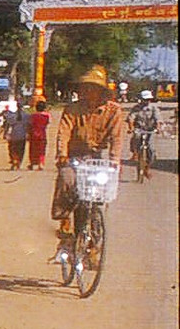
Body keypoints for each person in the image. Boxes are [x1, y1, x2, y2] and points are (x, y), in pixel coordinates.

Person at [52, 64, 125, 242]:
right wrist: (62, 154)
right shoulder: (73, 109)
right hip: (74, 155)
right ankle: (64, 216)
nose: (89, 91)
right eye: (86, 87)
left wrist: (115, 161)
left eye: (93, 88)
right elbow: (64, 131)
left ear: (101, 90)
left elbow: (117, 137)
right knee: (67, 179)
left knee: (100, 192)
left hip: (96, 157)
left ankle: (95, 236)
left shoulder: (114, 111)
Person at [129, 89, 159, 176]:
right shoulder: (136, 108)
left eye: (148, 99)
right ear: (141, 99)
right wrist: (131, 128)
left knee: (151, 149)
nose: (146, 101)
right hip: (139, 128)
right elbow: (131, 118)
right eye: (145, 99)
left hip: (150, 130)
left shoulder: (154, 108)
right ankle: (134, 152)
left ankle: (147, 168)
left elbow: (158, 120)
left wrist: (158, 128)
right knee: (136, 136)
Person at [27, 99, 51, 170]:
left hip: (33, 134)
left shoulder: (32, 116)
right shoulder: (47, 116)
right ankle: (41, 163)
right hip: (42, 134)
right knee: (42, 150)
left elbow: (30, 124)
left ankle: (32, 163)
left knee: (33, 149)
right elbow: (48, 123)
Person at [6, 102, 31, 170]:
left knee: (13, 149)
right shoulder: (27, 115)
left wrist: (7, 134)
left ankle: (14, 160)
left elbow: (8, 124)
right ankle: (18, 163)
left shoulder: (12, 115)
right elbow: (29, 125)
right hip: (22, 134)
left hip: (14, 134)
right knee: (21, 150)